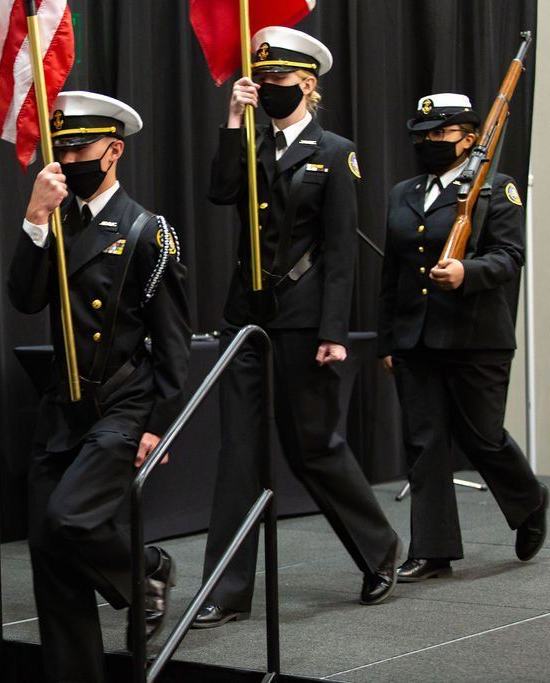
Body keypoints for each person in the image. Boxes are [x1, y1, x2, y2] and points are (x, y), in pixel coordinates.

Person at [195, 26, 401, 629]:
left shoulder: (334, 151)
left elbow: (341, 250)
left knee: (312, 446)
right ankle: (226, 589)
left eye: (279, 79)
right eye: (261, 80)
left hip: (305, 315)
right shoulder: (250, 141)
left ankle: (378, 549)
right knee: (238, 453)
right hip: (246, 316)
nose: (268, 88)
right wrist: (233, 120)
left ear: (308, 84)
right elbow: (220, 192)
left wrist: (334, 330)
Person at [8, 90, 191, 682]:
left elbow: (173, 338)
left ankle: (147, 568)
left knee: (70, 519)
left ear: (113, 151)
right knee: (48, 550)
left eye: (80, 149)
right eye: (61, 149)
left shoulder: (145, 229)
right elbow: (24, 298)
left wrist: (161, 424)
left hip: (122, 400)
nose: (68, 159)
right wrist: (35, 218)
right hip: (62, 404)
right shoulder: (54, 221)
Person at [379, 92, 548, 582]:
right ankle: (433, 551)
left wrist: (465, 272)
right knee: (424, 443)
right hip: (415, 338)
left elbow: (510, 256)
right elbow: (392, 273)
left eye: (441, 133)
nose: (429, 141)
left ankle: (529, 499)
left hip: (476, 337)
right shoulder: (403, 192)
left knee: (483, 438)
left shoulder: (497, 188)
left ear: (470, 138)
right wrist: (388, 340)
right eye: (423, 134)